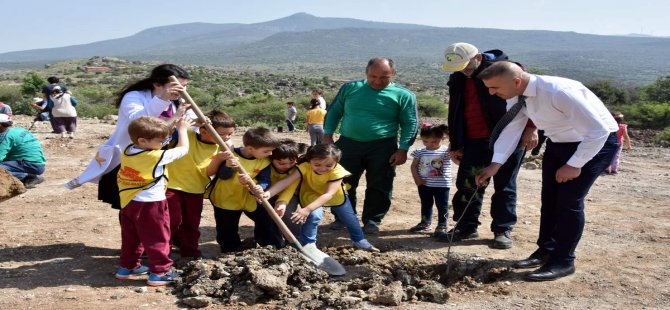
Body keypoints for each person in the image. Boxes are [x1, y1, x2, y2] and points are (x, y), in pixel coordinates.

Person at [475, 61, 619, 281]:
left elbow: (598, 130)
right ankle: (546, 251)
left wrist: (575, 164)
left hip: (593, 144)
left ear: (516, 81)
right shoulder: (516, 94)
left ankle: (563, 261)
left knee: (569, 202)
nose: (492, 93)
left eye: (495, 88)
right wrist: (496, 164)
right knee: (550, 199)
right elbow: (512, 127)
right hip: (559, 143)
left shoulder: (559, 92)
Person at [440, 42, 536, 249]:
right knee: (468, 184)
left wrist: (531, 127)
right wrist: (455, 143)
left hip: (509, 139)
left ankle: (502, 229)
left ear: (478, 58)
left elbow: (530, 100)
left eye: (466, 66)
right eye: (459, 68)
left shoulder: (504, 71)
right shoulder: (458, 77)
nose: (464, 71)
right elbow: (456, 111)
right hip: (474, 141)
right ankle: (466, 226)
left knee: (504, 186)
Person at [63, 64, 190, 212]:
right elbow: (139, 122)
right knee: (131, 203)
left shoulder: (177, 102)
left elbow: (186, 123)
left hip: (160, 159)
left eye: (185, 86)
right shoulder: (134, 97)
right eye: (177, 86)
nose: (182, 91)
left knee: (157, 203)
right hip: (131, 160)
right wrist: (163, 100)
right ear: (157, 84)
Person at [323, 57, 419, 234]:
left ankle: (372, 220)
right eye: (373, 76)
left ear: (393, 74)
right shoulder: (350, 88)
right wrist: (327, 135)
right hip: (348, 143)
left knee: (380, 184)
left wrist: (403, 148)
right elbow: (334, 111)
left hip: (383, 146)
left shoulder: (403, 95)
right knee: (341, 181)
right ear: (366, 72)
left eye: (384, 77)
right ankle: (343, 217)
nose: (377, 81)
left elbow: (410, 123)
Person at [115, 115, 192, 286]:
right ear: (143, 140)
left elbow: (157, 137)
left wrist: (171, 125)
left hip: (129, 203)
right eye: (161, 141)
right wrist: (182, 129)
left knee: (131, 237)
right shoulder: (155, 156)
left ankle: (127, 267)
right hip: (151, 205)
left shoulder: (128, 149)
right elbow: (183, 149)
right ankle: (160, 272)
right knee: (158, 237)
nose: (165, 143)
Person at [262, 143, 378, 251]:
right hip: (312, 194)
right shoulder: (304, 167)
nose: (322, 168)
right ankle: (308, 244)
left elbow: (328, 194)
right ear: (310, 161)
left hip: (334, 196)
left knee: (350, 218)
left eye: (328, 165)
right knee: (313, 216)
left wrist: (306, 209)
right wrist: (268, 193)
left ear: (336, 163)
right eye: (317, 164)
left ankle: (359, 240)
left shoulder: (337, 171)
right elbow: (286, 182)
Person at [165, 110, 236, 260]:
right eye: (222, 134)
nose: (226, 138)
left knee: (191, 223)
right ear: (203, 131)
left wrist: (219, 159)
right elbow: (165, 131)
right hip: (171, 186)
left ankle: (190, 252)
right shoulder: (186, 135)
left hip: (196, 190)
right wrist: (194, 122)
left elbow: (208, 173)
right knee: (171, 221)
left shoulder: (221, 149)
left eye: (230, 134)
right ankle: (163, 252)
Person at [206, 127, 283, 252]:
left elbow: (265, 179)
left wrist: (260, 186)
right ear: (250, 149)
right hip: (226, 198)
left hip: (249, 198)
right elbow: (222, 176)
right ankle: (230, 249)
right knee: (227, 227)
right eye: (266, 151)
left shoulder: (264, 161)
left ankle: (270, 245)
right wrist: (228, 166)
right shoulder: (230, 155)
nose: (270, 154)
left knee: (266, 219)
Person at [408, 124, 452, 237]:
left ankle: (442, 225)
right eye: (425, 141)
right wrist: (417, 179)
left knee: (442, 205)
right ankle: (425, 223)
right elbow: (413, 166)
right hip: (424, 184)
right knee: (426, 204)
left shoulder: (446, 151)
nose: (429, 144)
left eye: (433, 141)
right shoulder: (420, 151)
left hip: (442, 185)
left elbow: (456, 147)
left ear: (442, 138)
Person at [268, 138, 303, 237]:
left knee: (288, 213)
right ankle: (273, 240)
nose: (287, 166)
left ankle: (296, 237)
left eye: (291, 162)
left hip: (290, 195)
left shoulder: (297, 169)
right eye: (282, 163)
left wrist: (282, 201)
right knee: (267, 214)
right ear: (271, 159)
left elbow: (291, 188)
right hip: (269, 194)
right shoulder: (266, 166)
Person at [0, 113, 46, 188]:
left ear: (0, 125)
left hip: (29, 164)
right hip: (39, 164)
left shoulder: (6, 137)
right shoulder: (18, 130)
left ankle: (27, 177)